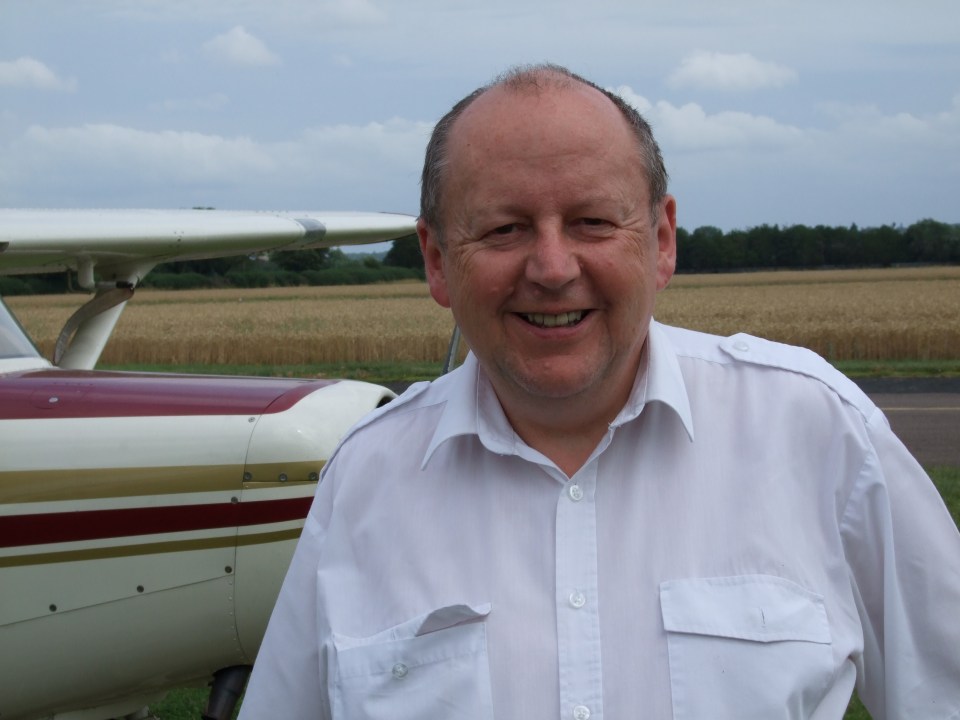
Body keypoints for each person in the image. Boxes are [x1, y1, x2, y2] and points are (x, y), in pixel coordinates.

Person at [239, 64, 960, 719]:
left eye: (591, 221)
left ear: (662, 239)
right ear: (435, 261)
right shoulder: (366, 480)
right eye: (504, 228)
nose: (552, 267)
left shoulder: (817, 430)